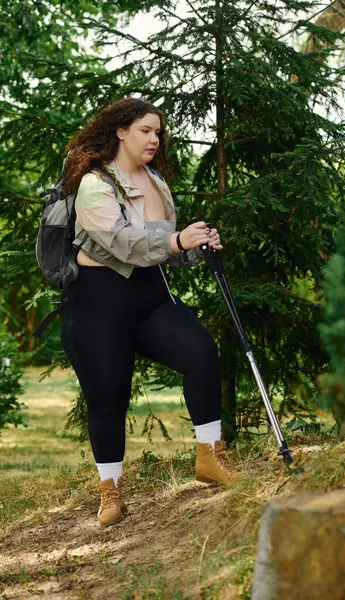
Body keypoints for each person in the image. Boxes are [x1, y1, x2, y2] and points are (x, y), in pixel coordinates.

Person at [61, 97, 236, 527]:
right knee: (107, 396)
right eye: (145, 130)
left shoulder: (156, 181)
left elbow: (165, 251)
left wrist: (196, 246)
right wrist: (177, 241)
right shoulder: (94, 183)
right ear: (121, 131)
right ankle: (110, 491)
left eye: (158, 132)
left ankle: (210, 458)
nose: (154, 139)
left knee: (200, 354)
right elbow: (124, 244)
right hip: (98, 303)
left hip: (150, 297)